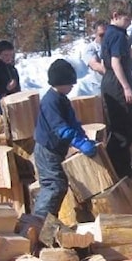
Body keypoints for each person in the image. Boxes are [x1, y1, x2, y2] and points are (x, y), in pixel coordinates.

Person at [32, 59, 97, 218]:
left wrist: (83, 137)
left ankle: (47, 221)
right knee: (53, 186)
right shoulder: (50, 101)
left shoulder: (62, 99)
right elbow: (60, 128)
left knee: (59, 185)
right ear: (60, 82)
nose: (72, 86)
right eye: (70, 83)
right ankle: (38, 221)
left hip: (55, 150)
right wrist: (79, 143)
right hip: (47, 151)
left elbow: (72, 122)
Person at [101, 0, 132, 179]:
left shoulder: (111, 33)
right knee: (122, 129)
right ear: (115, 16)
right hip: (117, 84)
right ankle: (120, 171)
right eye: (126, 19)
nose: (129, 22)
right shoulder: (116, 35)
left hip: (110, 81)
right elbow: (115, 62)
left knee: (118, 127)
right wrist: (126, 87)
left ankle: (120, 168)